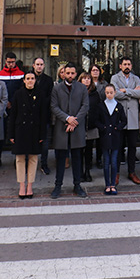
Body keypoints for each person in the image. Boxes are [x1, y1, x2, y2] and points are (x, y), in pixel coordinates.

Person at [50, 62, 89, 198]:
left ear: (76, 74)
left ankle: (77, 185)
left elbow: (85, 106)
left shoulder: (82, 88)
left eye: (72, 73)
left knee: (77, 159)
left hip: (77, 128)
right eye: (68, 73)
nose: (70, 75)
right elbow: (54, 107)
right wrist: (67, 119)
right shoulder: (57, 88)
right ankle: (57, 186)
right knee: (60, 159)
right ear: (63, 73)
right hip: (62, 128)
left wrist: (74, 120)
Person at [8, 72, 46, 198]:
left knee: (33, 158)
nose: (30, 81)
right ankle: (21, 185)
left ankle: (30, 185)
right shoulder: (18, 94)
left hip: (34, 130)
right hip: (20, 130)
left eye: (32, 78)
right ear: (24, 80)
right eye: (28, 79)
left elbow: (43, 116)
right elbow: (13, 115)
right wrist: (11, 133)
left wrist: (42, 134)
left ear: (35, 80)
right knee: (19, 159)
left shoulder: (40, 94)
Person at [111, 57, 140, 185]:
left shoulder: (136, 78)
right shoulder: (114, 78)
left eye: (129, 64)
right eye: (124, 64)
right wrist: (131, 92)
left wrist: (125, 91)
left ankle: (132, 172)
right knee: (118, 148)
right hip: (120, 118)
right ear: (120, 66)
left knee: (132, 148)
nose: (127, 66)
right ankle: (116, 173)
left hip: (133, 119)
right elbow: (115, 94)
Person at [28, 57, 55, 175]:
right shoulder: (28, 77)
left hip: (44, 115)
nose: (39, 66)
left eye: (41, 64)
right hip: (29, 115)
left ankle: (44, 164)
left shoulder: (48, 80)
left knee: (44, 142)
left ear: (44, 66)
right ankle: (28, 163)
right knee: (29, 140)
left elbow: (50, 97)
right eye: (37, 64)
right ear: (33, 65)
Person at [99, 84, 127, 195]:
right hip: (105, 137)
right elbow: (97, 120)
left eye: (111, 92)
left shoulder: (118, 106)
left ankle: (113, 184)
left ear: (115, 92)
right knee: (106, 162)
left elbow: (124, 120)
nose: (109, 94)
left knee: (114, 162)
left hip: (116, 137)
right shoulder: (101, 106)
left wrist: (117, 128)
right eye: (107, 93)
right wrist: (103, 127)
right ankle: (107, 184)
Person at [79, 72, 99, 182]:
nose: (86, 81)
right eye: (84, 79)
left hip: (91, 126)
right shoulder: (77, 92)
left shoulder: (94, 94)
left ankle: (87, 171)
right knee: (79, 151)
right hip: (79, 126)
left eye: (88, 79)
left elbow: (97, 108)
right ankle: (80, 172)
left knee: (89, 151)